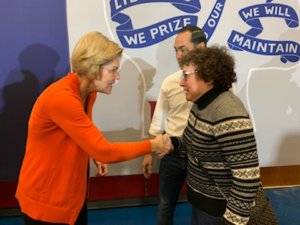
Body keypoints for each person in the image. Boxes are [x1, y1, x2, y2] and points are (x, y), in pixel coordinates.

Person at [15, 31, 171, 225]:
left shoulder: (88, 93)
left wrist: (93, 153)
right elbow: (105, 151)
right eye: (113, 70)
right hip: (46, 203)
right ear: (92, 68)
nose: (117, 76)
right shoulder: (61, 98)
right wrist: (152, 146)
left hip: (72, 198)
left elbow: (82, 131)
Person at [170, 45, 260, 225]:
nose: (181, 82)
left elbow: (247, 177)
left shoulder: (228, 112)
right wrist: (173, 143)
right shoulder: (201, 103)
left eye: (186, 75)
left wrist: (232, 222)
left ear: (209, 78)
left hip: (220, 212)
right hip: (202, 204)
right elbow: (192, 143)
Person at [142, 25, 207, 225]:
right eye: (175, 50)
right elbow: (158, 119)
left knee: (203, 207)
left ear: (201, 47)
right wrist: (147, 152)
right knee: (165, 204)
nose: (178, 55)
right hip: (171, 153)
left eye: (183, 49)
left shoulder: (220, 82)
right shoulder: (170, 82)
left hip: (203, 155)